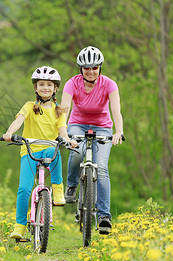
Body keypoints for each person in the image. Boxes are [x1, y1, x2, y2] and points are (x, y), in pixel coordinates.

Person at [3, 66, 78, 239]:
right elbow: (19, 121)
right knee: (23, 189)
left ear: (55, 88)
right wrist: (9, 133)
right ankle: (20, 226)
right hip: (29, 150)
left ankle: (58, 190)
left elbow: (63, 132)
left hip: (49, 148)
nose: (45, 88)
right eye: (41, 84)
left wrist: (68, 140)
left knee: (56, 148)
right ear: (35, 88)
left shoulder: (59, 110)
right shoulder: (29, 106)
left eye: (49, 85)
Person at [61, 46, 124, 233]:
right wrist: (63, 132)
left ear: (100, 68)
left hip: (102, 127)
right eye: (86, 68)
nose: (90, 71)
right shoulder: (71, 83)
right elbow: (64, 109)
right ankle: (71, 185)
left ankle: (104, 216)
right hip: (77, 125)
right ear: (80, 69)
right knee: (77, 151)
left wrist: (118, 131)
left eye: (94, 67)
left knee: (102, 168)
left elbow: (116, 110)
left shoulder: (110, 84)